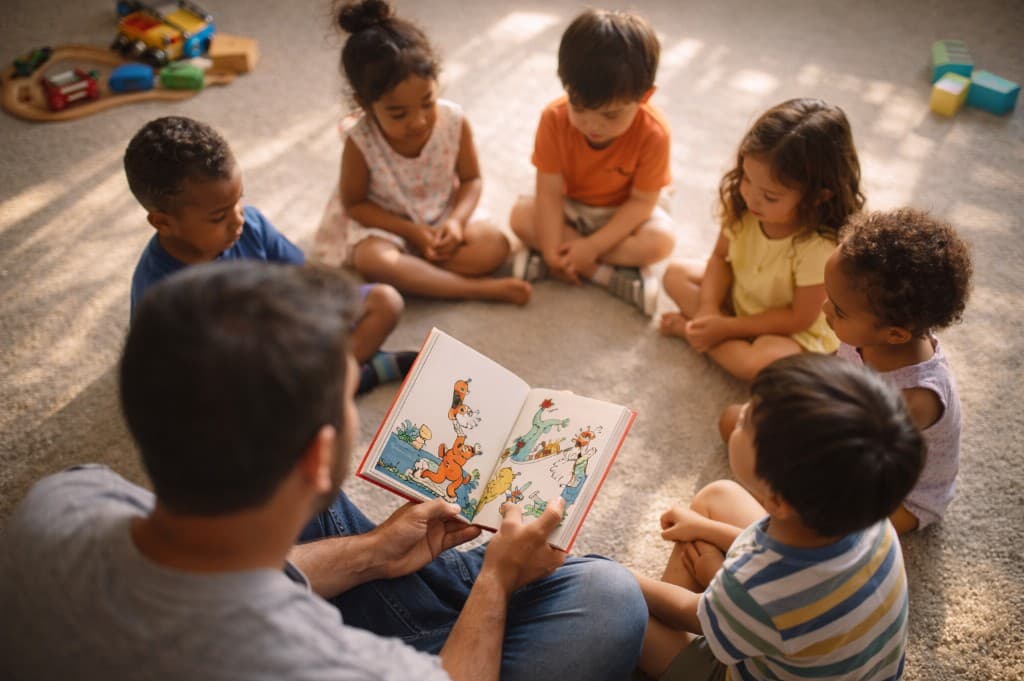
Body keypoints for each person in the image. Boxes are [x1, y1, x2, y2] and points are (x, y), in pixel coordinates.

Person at [0, 261, 647, 681]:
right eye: (350, 393)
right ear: (318, 453)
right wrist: (497, 581)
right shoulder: (320, 667)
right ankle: (477, 594)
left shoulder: (64, 496)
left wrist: (371, 554)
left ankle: (443, 587)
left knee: (333, 516)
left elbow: (213, 572)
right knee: (610, 601)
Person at [632, 354, 924, 681]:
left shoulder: (755, 586)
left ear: (776, 499)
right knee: (718, 496)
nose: (739, 411)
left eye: (746, 421)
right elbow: (789, 580)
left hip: (742, 656)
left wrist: (626, 575)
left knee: (627, 614)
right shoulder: (868, 512)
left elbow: (696, 614)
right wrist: (706, 530)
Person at [125, 115, 414, 394]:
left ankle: (336, 378)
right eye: (218, 217)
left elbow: (306, 280)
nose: (238, 218)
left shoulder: (251, 225)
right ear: (163, 222)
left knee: (384, 302)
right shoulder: (160, 292)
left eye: (238, 200)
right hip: (232, 367)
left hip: (281, 332)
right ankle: (357, 375)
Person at [313, 0, 531, 305]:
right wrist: (411, 232)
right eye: (398, 113)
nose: (418, 122)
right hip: (387, 226)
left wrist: (455, 221)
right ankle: (473, 289)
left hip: (442, 217)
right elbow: (355, 204)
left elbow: (472, 180)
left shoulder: (454, 121)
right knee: (374, 261)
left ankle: (418, 274)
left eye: (427, 102)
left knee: (495, 246)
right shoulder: (360, 140)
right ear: (365, 103)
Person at [659, 98, 864, 380]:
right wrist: (708, 310)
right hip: (743, 295)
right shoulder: (741, 206)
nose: (751, 196)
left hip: (789, 328)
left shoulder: (819, 246)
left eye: (770, 196)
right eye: (746, 178)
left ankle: (692, 333)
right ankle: (706, 331)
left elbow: (799, 318)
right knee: (675, 273)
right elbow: (719, 258)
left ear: (819, 196)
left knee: (761, 365)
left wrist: (726, 328)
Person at [509, 8, 676, 315]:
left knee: (661, 242)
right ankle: (604, 273)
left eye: (611, 115)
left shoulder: (655, 133)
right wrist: (549, 251)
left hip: (624, 211)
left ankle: (583, 261)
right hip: (571, 205)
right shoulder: (553, 119)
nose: (592, 125)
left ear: (645, 97)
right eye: (579, 107)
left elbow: (642, 203)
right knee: (520, 216)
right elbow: (548, 191)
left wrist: (592, 247)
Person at [822, 208, 972, 533]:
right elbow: (836, 366)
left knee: (824, 512)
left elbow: (860, 452)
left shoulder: (916, 396)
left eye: (837, 310)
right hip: (858, 434)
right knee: (746, 423)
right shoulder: (865, 333)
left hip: (902, 496)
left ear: (895, 335)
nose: (824, 311)